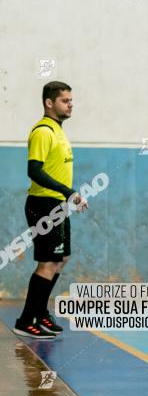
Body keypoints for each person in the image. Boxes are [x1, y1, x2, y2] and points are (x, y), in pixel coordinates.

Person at [14, 81, 88, 339]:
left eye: (71, 100)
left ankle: (40, 312)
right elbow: (34, 170)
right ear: (49, 103)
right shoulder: (43, 131)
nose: (71, 104)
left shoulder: (57, 131)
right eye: (65, 101)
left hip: (58, 205)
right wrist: (69, 192)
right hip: (43, 204)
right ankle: (26, 320)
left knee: (60, 259)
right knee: (48, 262)